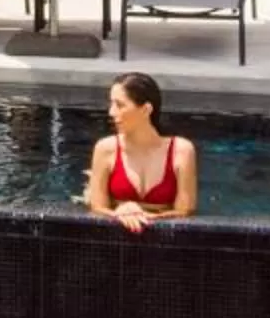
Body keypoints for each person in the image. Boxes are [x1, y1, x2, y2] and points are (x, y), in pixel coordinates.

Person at [84, 71, 196, 231]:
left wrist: (147, 217)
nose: (111, 112)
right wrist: (119, 212)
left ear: (146, 109)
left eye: (120, 105)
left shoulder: (182, 150)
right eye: (111, 104)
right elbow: (97, 208)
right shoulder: (105, 148)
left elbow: (185, 211)